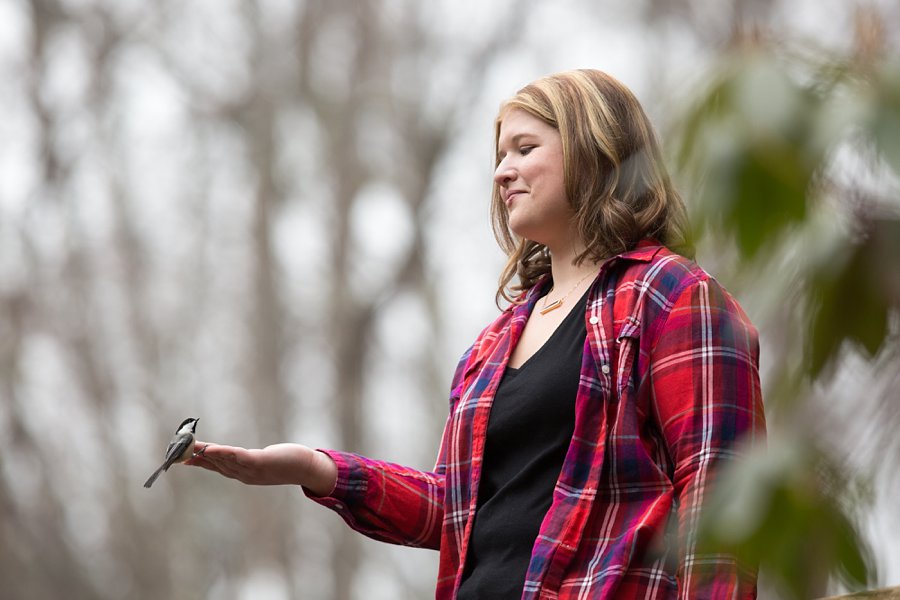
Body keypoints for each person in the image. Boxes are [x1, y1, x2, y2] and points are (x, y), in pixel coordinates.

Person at [188, 69, 765, 599]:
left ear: (596, 151)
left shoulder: (672, 295)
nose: (501, 171)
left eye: (525, 148)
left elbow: (722, 494)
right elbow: (457, 510)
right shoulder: (491, 346)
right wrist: (319, 469)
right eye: (498, 155)